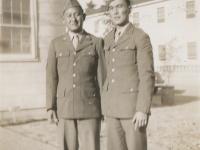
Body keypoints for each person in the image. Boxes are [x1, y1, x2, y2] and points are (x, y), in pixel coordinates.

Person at [46, 0, 106, 150]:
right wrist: (50, 107)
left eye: (77, 15)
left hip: (90, 107)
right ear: (63, 20)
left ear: (84, 16)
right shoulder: (56, 44)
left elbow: (102, 78)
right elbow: (51, 78)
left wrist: (104, 108)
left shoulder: (96, 42)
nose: (73, 19)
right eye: (69, 16)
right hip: (64, 108)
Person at [101, 0, 155, 150]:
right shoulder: (106, 40)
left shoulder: (140, 36)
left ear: (129, 9)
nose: (115, 12)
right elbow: (104, 74)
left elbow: (147, 75)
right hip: (111, 110)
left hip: (133, 111)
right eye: (111, 8)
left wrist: (143, 109)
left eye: (119, 6)